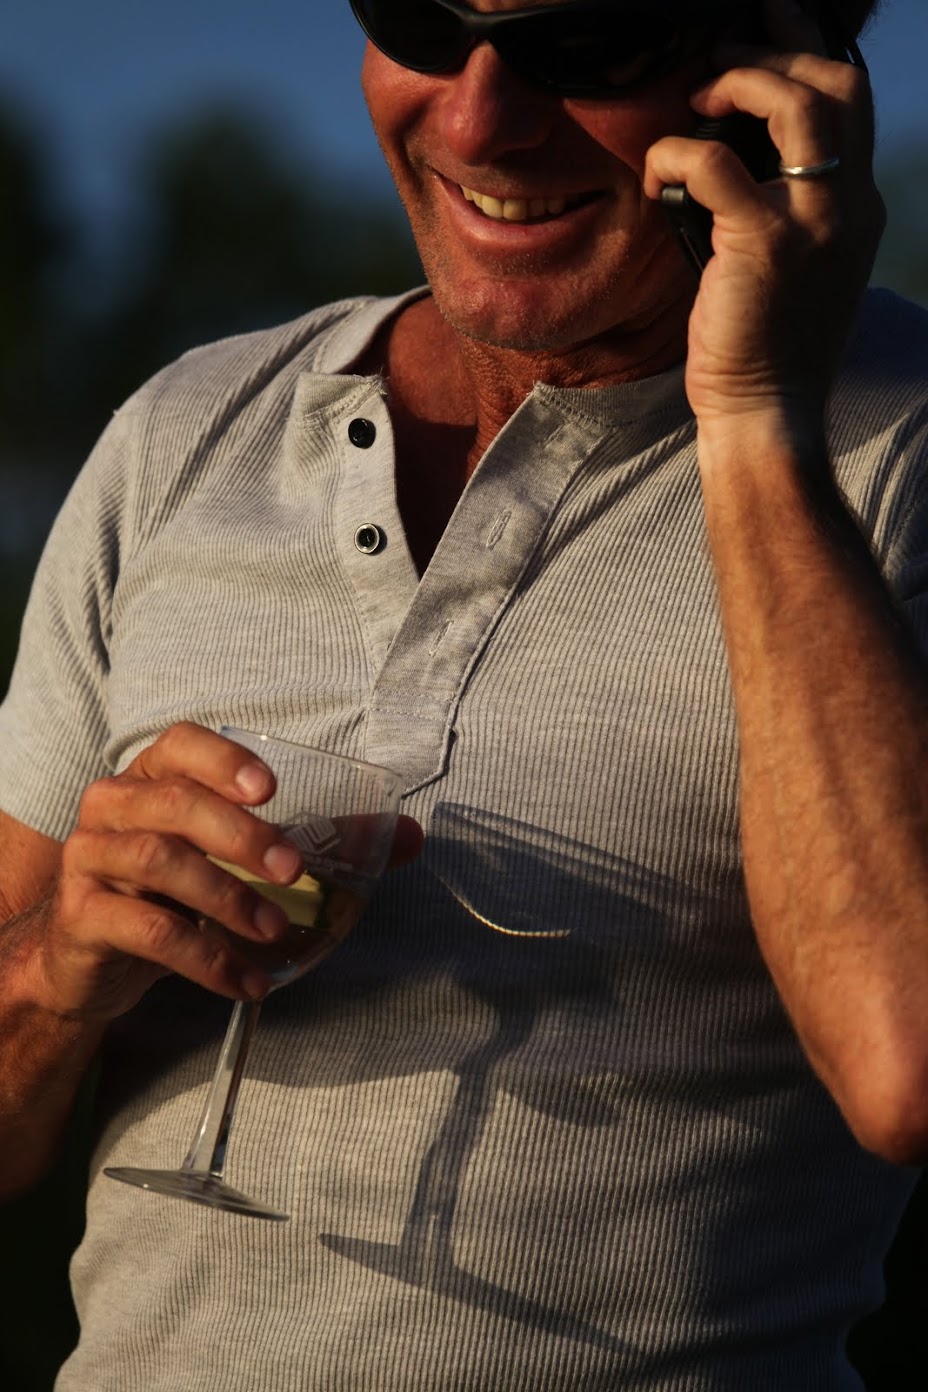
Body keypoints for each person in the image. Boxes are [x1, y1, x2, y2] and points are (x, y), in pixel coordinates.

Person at [1, 0, 926, 1386]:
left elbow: (904, 1067)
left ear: (782, 65)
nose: (480, 117)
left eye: (586, 39)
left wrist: (753, 416)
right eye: (422, 16)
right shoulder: (184, 430)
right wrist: (56, 975)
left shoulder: (901, 449)